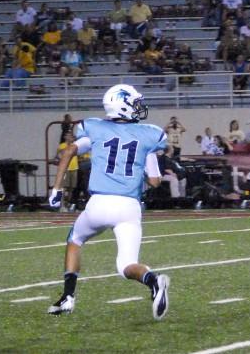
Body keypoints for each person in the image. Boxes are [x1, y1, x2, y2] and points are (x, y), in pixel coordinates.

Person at [47, 84, 170, 319]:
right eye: (135, 104)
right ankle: (153, 281)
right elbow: (154, 182)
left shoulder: (94, 128)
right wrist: (146, 163)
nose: (139, 108)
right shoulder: (149, 134)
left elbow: (69, 151)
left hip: (99, 204)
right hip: (129, 208)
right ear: (122, 105)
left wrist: (57, 188)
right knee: (126, 265)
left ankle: (67, 297)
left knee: (75, 238)